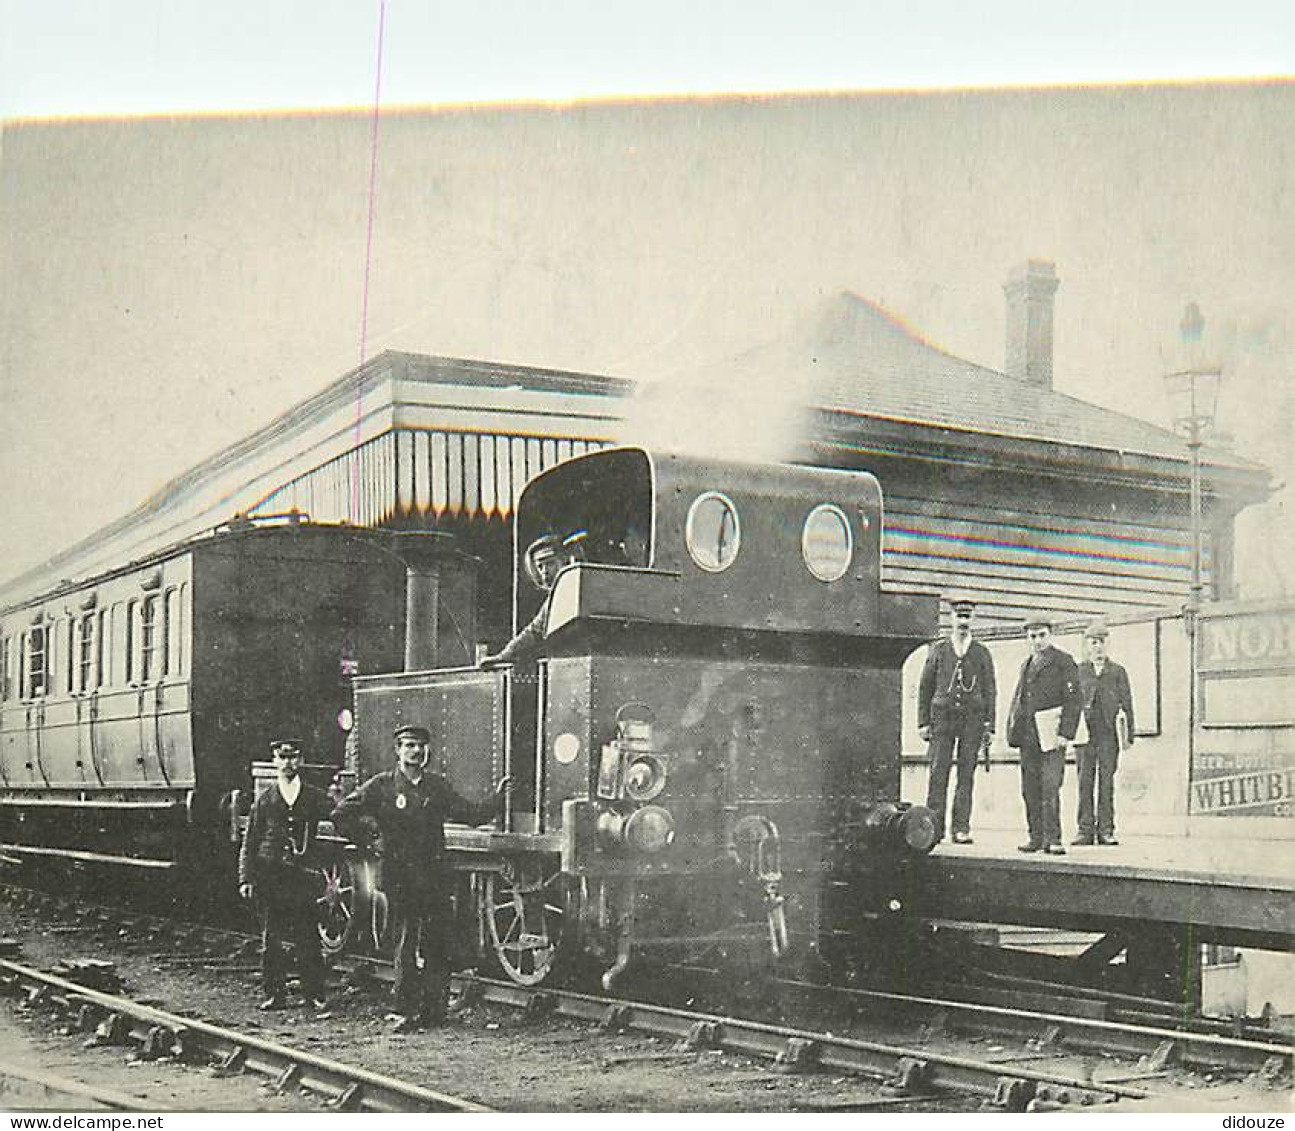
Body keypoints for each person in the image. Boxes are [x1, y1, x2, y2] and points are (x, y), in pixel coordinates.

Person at [330, 724, 509, 1033]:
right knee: (405, 944)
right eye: (410, 745)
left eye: (421, 746)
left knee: (437, 944)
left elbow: (469, 813)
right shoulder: (382, 786)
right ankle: (404, 1010)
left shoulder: (436, 787)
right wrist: (372, 838)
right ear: (398, 750)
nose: (416, 751)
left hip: (434, 877)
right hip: (400, 878)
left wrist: (498, 798)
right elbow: (341, 816)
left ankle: (436, 1011)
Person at [238, 738, 334, 1011]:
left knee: (308, 937)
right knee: (273, 938)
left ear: (300, 761)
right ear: (275, 761)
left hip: (302, 877)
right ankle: (274, 994)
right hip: (271, 876)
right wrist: (246, 878)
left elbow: (338, 813)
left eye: (293, 757)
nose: (288, 762)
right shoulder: (265, 800)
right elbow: (250, 841)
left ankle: (314, 995)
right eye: (283, 757)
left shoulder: (314, 796)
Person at [917, 597, 997, 845]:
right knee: (938, 771)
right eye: (959, 617)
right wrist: (923, 722)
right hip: (943, 720)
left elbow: (990, 689)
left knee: (966, 774)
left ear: (973, 619)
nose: (963, 622)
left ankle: (961, 828)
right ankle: (935, 827)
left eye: (967, 617)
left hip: (972, 720)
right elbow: (925, 686)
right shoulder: (939, 650)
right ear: (951, 619)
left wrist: (989, 725)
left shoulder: (982, 653)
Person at [1006, 616, 1082, 855]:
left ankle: (1054, 838)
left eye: (1041, 635)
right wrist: (1013, 729)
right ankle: (1035, 837)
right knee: (1030, 787)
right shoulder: (1026, 664)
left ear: (1050, 635)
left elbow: (1074, 700)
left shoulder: (1064, 661)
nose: (1037, 641)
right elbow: (1019, 699)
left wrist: (1065, 733)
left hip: (1051, 736)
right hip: (1029, 736)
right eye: (1032, 636)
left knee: (1050, 786)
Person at [1073, 618, 1135, 846]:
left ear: (1107, 644)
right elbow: (1070, 703)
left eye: (1101, 642)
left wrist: (1129, 735)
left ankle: (1106, 830)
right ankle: (1084, 830)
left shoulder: (1117, 672)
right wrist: (1069, 730)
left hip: (1108, 734)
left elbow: (1127, 703)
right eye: (1093, 642)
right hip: (1084, 734)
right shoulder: (1079, 671)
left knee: (1106, 781)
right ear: (1087, 645)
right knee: (1084, 781)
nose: (1098, 647)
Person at [478, 532, 573, 669]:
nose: (544, 571)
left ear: (565, 562)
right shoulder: (555, 597)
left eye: (550, 563)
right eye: (540, 566)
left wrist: (505, 654)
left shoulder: (569, 591)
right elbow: (534, 631)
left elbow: (534, 632)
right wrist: (506, 654)